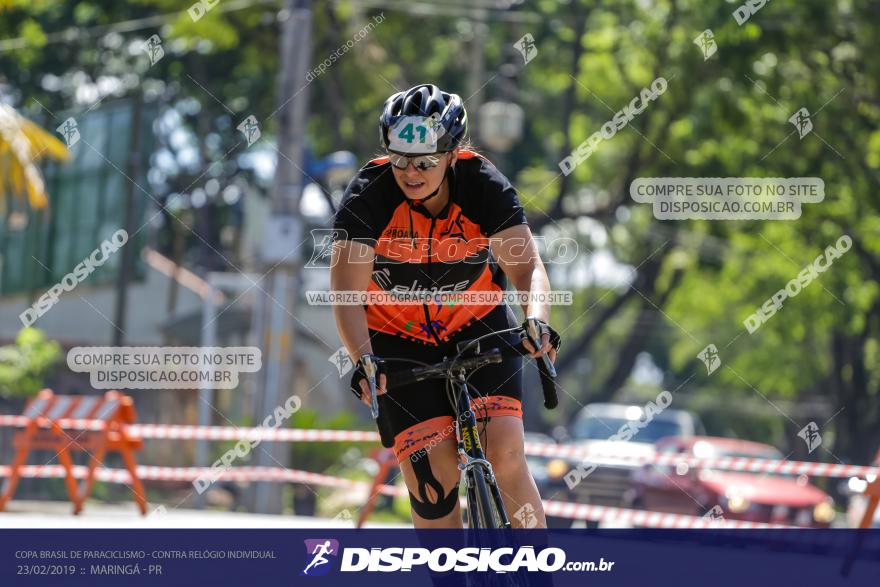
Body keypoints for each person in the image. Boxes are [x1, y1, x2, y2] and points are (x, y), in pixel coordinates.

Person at [331, 83, 560, 529]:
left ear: (453, 153)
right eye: (399, 159)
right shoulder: (369, 196)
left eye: (425, 162)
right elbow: (347, 296)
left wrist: (536, 321)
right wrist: (363, 360)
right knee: (433, 485)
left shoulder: (481, 184)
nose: (410, 173)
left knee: (505, 451)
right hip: (398, 340)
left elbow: (529, 269)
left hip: (479, 325)